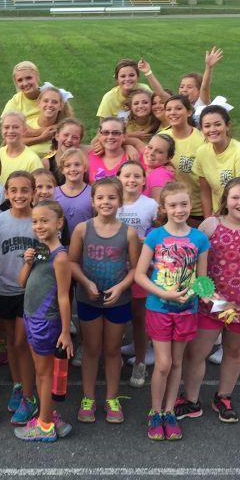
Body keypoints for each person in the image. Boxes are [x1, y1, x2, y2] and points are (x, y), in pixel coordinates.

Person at [177, 178, 240, 423]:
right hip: (210, 303)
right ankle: (191, 399)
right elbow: (194, 264)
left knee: (234, 351)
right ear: (225, 200)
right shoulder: (210, 225)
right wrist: (206, 294)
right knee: (196, 352)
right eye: (236, 197)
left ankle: (223, 396)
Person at [134, 181, 210, 441]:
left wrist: (208, 296)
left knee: (177, 362)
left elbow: (202, 279)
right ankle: (155, 411)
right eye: (173, 205)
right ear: (164, 208)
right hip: (159, 307)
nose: (180, 209)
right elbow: (140, 275)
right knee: (163, 363)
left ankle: (169, 411)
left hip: (187, 310)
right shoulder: (156, 236)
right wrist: (164, 293)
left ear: (190, 205)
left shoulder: (199, 238)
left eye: (184, 204)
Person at [69, 178, 139, 424]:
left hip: (117, 301)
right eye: (100, 198)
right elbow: (72, 262)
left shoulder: (128, 232)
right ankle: (88, 397)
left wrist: (120, 288)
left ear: (120, 201)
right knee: (91, 349)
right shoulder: (82, 229)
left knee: (111, 350)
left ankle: (112, 397)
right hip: (89, 299)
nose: (105, 202)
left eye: (111, 197)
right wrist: (86, 283)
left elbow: (135, 269)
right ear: (93, 201)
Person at [13, 200, 74, 442]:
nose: (38, 225)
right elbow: (21, 282)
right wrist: (28, 262)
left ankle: (45, 425)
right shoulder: (39, 250)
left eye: (44, 220)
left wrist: (66, 332)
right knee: (40, 371)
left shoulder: (60, 257)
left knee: (44, 373)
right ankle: (48, 413)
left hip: (46, 322)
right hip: (31, 317)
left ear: (59, 223)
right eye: (35, 221)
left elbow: (64, 297)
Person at [0, 171, 38, 425]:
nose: (19, 195)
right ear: (6, 194)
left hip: (30, 291)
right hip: (5, 290)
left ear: (33, 193)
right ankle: (18, 384)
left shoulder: (38, 221)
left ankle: (29, 395)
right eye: (14, 190)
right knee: (11, 342)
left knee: (20, 342)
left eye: (25, 190)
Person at [115, 160, 158, 389]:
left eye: (137, 176)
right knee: (118, 316)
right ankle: (114, 359)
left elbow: (159, 233)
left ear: (144, 180)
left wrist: (145, 243)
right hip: (114, 269)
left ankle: (140, 361)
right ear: (119, 178)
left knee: (140, 318)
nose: (131, 180)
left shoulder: (150, 205)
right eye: (126, 176)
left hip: (142, 269)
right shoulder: (113, 203)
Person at [193, 105, 240, 219]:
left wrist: (226, 222)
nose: (212, 129)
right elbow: (205, 191)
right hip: (217, 217)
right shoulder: (202, 152)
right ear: (201, 129)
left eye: (218, 124)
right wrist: (209, 220)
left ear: (228, 125)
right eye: (207, 126)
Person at [159, 95, 205, 223]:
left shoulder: (202, 140)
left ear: (189, 112)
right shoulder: (161, 137)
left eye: (178, 108)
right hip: (170, 209)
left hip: (195, 210)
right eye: (168, 109)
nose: (172, 112)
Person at [25, 86, 72, 158]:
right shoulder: (27, 124)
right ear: (39, 103)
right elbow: (12, 145)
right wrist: (41, 138)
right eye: (46, 101)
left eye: (55, 102)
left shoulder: (65, 130)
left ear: (61, 106)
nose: (49, 105)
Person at [54, 148, 92, 233]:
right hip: (60, 245)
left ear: (85, 167)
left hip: (85, 243)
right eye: (68, 166)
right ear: (62, 170)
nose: (73, 169)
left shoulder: (93, 193)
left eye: (77, 164)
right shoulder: (54, 193)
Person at [0, 111, 44, 181]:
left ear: (24, 130)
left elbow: (38, 185)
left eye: (15, 127)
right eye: (6, 127)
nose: (10, 131)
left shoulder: (32, 160)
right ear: (1, 130)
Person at [87, 117, 129, 182]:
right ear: (99, 135)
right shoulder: (90, 157)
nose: (110, 137)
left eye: (116, 133)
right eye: (106, 132)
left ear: (124, 136)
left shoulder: (133, 157)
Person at [141, 133, 177, 201]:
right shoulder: (142, 166)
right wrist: (128, 147)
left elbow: (158, 209)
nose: (151, 153)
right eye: (150, 147)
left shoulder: (160, 174)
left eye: (159, 152)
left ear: (169, 158)